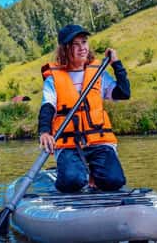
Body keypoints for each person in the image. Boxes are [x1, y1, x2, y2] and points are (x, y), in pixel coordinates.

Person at [38, 24, 130, 193]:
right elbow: (48, 106)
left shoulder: (98, 73)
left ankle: (94, 172)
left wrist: (116, 63)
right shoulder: (53, 79)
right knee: (73, 182)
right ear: (65, 49)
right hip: (69, 144)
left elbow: (123, 93)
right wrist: (44, 131)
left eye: (84, 42)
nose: (82, 48)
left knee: (114, 181)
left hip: (99, 142)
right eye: (76, 44)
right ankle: (69, 171)